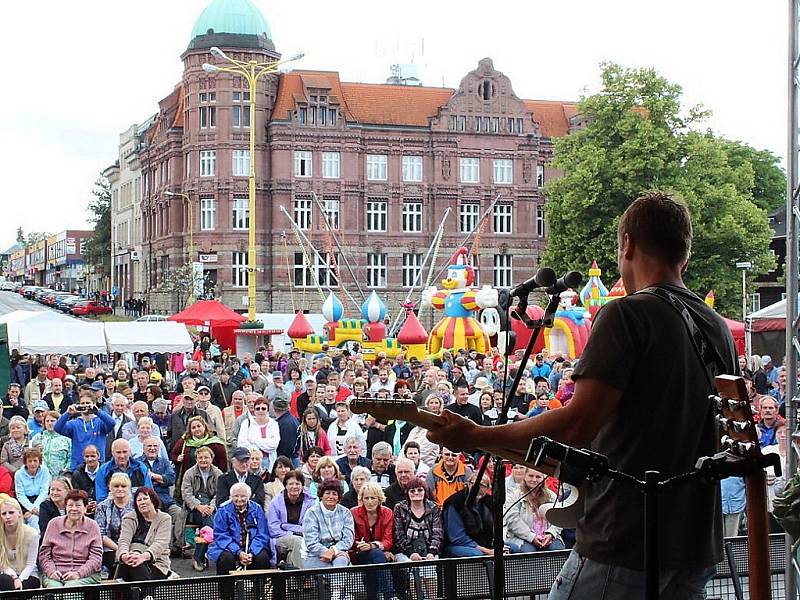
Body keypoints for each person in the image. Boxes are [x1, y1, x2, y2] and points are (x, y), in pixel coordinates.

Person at [427, 192, 738, 597]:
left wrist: (477, 436)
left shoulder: (627, 313)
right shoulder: (716, 327)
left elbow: (578, 422)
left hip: (626, 539)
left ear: (627, 243)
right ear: (686, 253)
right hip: (695, 542)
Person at [38, 489, 103, 587]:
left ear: (85, 508)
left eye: (78, 505)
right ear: (65, 508)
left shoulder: (93, 526)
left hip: (85, 575)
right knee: (56, 590)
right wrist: (51, 572)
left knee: (70, 590)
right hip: (56, 574)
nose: (74, 509)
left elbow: (96, 557)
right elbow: (44, 555)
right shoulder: (53, 524)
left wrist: (79, 574)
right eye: (70, 505)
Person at [207, 482, 271, 579]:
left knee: (262, 557)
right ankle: (227, 593)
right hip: (228, 547)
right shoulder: (223, 510)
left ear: (249, 497)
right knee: (226, 559)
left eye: (243, 496)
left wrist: (252, 553)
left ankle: (258, 591)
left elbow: (262, 534)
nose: (239, 499)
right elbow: (221, 535)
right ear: (231, 496)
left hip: (251, 547)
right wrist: (238, 552)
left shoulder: (257, 509)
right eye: (236, 496)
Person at [350, 482, 396, 600]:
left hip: (377, 553)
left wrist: (373, 545)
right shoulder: (353, 513)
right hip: (358, 553)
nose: (369, 501)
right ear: (362, 499)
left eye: (373, 498)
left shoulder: (387, 513)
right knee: (377, 555)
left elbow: (388, 540)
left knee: (372, 562)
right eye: (366, 498)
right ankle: (389, 595)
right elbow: (351, 538)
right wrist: (360, 545)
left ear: (379, 499)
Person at [115, 486, 172, 581]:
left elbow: (160, 544)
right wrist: (124, 555)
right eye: (139, 500)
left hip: (156, 562)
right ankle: (146, 596)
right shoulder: (128, 518)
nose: (142, 502)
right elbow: (124, 540)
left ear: (153, 500)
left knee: (137, 567)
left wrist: (143, 557)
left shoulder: (164, 519)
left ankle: (144, 595)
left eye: (145, 498)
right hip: (130, 559)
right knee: (132, 566)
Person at [181, 445, 222, 571]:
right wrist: (199, 506)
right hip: (193, 510)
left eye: (206, 457)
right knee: (209, 520)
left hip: (211, 509)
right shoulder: (189, 473)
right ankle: (202, 557)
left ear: (211, 459)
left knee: (208, 521)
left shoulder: (218, 473)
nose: (203, 460)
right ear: (196, 459)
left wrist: (211, 507)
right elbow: (186, 494)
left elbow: (220, 494)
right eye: (200, 457)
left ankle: (198, 558)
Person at [504, 468, 565, 552]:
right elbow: (512, 520)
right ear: (525, 476)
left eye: (538, 477)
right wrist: (531, 537)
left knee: (557, 550)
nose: (534, 479)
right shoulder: (514, 495)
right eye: (531, 476)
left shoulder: (551, 496)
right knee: (529, 552)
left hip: (548, 536)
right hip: (522, 537)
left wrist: (551, 533)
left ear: (543, 478)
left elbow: (559, 518)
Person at [54, 393, 116, 470]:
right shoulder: (74, 423)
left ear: (94, 404)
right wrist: (67, 414)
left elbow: (112, 423)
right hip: (78, 467)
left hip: (98, 466)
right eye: (82, 403)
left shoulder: (100, 422)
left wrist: (97, 411)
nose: (85, 405)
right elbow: (57, 428)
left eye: (88, 403)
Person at [303, 479, 355, 569]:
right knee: (333, 572)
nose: (331, 496)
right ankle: (338, 583)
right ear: (321, 495)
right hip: (315, 555)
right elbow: (311, 542)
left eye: (334, 494)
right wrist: (326, 552)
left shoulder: (346, 512)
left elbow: (348, 539)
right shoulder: (311, 512)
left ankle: (337, 583)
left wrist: (333, 551)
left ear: (339, 497)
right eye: (327, 493)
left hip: (339, 553)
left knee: (341, 561)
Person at [267, 469, 313, 568]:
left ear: (302, 485)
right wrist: (293, 533)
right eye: (291, 484)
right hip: (280, 540)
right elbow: (273, 529)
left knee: (292, 554)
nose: (294, 487)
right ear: (285, 485)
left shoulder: (311, 502)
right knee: (296, 541)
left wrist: (286, 526)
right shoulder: (276, 502)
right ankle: (305, 577)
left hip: (306, 538)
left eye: (297, 483)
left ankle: (294, 580)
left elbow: (310, 527)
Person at [171, 415, 227, 493]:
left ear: (204, 427)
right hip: (190, 480)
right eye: (193, 428)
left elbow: (223, 464)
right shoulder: (184, 441)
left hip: (210, 481)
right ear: (190, 430)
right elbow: (173, 454)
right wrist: (177, 458)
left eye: (199, 426)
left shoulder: (216, 443)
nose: (196, 429)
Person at [393, 479, 444, 562]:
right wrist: (410, 553)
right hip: (405, 552)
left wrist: (432, 553)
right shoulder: (399, 508)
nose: (416, 493)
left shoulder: (434, 508)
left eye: (420, 490)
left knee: (430, 569)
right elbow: (398, 535)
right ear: (407, 493)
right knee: (408, 565)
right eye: (412, 491)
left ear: (425, 492)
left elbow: (438, 534)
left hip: (430, 552)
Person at [95, 472, 135, 576]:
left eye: (123, 486)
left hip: (134, 546)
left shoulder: (136, 505)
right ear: (110, 488)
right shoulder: (102, 507)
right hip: (110, 548)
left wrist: (128, 549)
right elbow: (100, 534)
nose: (120, 489)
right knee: (122, 563)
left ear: (129, 488)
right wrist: (121, 549)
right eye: (116, 486)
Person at [0, 495, 39, 591]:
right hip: (7, 574)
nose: (8, 517)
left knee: (21, 586)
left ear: (19, 513)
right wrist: (14, 577)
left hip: (28, 575)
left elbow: (31, 564)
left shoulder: (32, 533)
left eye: (11, 512)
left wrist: (19, 579)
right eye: (4, 514)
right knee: (6, 581)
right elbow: (3, 564)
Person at [237, 396, 280, 472]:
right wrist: (257, 453)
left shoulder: (274, 424)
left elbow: (273, 444)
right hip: (250, 461)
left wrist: (253, 440)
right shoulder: (246, 423)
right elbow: (241, 444)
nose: (260, 411)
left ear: (267, 410)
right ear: (254, 410)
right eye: (258, 408)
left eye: (263, 408)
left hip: (269, 461)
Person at [14, 448, 50, 529]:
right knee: (31, 520)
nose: (32, 464)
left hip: (41, 500)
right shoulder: (19, 474)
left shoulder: (45, 471)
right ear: (25, 462)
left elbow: (44, 491)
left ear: (39, 461)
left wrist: (35, 508)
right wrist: (31, 509)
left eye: (35, 461)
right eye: (30, 461)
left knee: (38, 519)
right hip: (24, 503)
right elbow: (20, 495)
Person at [31, 410, 71, 477]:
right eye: (47, 421)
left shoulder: (67, 438)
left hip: (61, 476)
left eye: (52, 421)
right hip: (41, 476)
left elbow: (70, 457)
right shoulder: (37, 437)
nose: (50, 423)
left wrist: (66, 471)